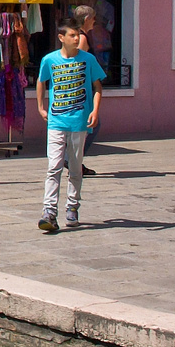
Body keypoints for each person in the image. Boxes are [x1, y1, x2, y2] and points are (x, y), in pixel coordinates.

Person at [35, 18, 106, 233]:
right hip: (56, 121)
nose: (77, 38)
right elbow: (41, 81)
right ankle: (49, 211)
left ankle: (72, 207)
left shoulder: (88, 60)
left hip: (79, 122)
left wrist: (95, 110)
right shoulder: (49, 60)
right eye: (72, 35)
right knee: (53, 166)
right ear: (61, 38)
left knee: (75, 167)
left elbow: (97, 86)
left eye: (78, 35)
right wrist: (40, 107)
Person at [71, 5, 102, 175]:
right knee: (91, 124)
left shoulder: (75, 35)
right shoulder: (82, 39)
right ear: (86, 19)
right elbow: (78, 64)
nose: (94, 21)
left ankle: (74, 161)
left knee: (85, 126)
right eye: (93, 18)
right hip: (82, 88)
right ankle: (73, 160)